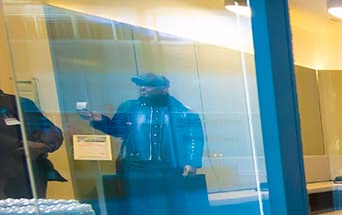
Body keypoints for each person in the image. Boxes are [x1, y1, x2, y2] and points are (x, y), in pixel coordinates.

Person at [79, 73, 207, 215]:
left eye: (148, 85)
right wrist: (99, 119)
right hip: (136, 167)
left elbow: (194, 137)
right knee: (138, 206)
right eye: (140, 84)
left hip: (169, 167)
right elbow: (118, 130)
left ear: (164, 88)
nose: (142, 88)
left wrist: (192, 162)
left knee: (172, 205)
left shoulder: (182, 111)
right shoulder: (129, 107)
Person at [0, 89, 64, 199]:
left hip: (30, 175)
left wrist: (46, 146)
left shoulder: (20, 103)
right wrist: (20, 145)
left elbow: (52, 131)